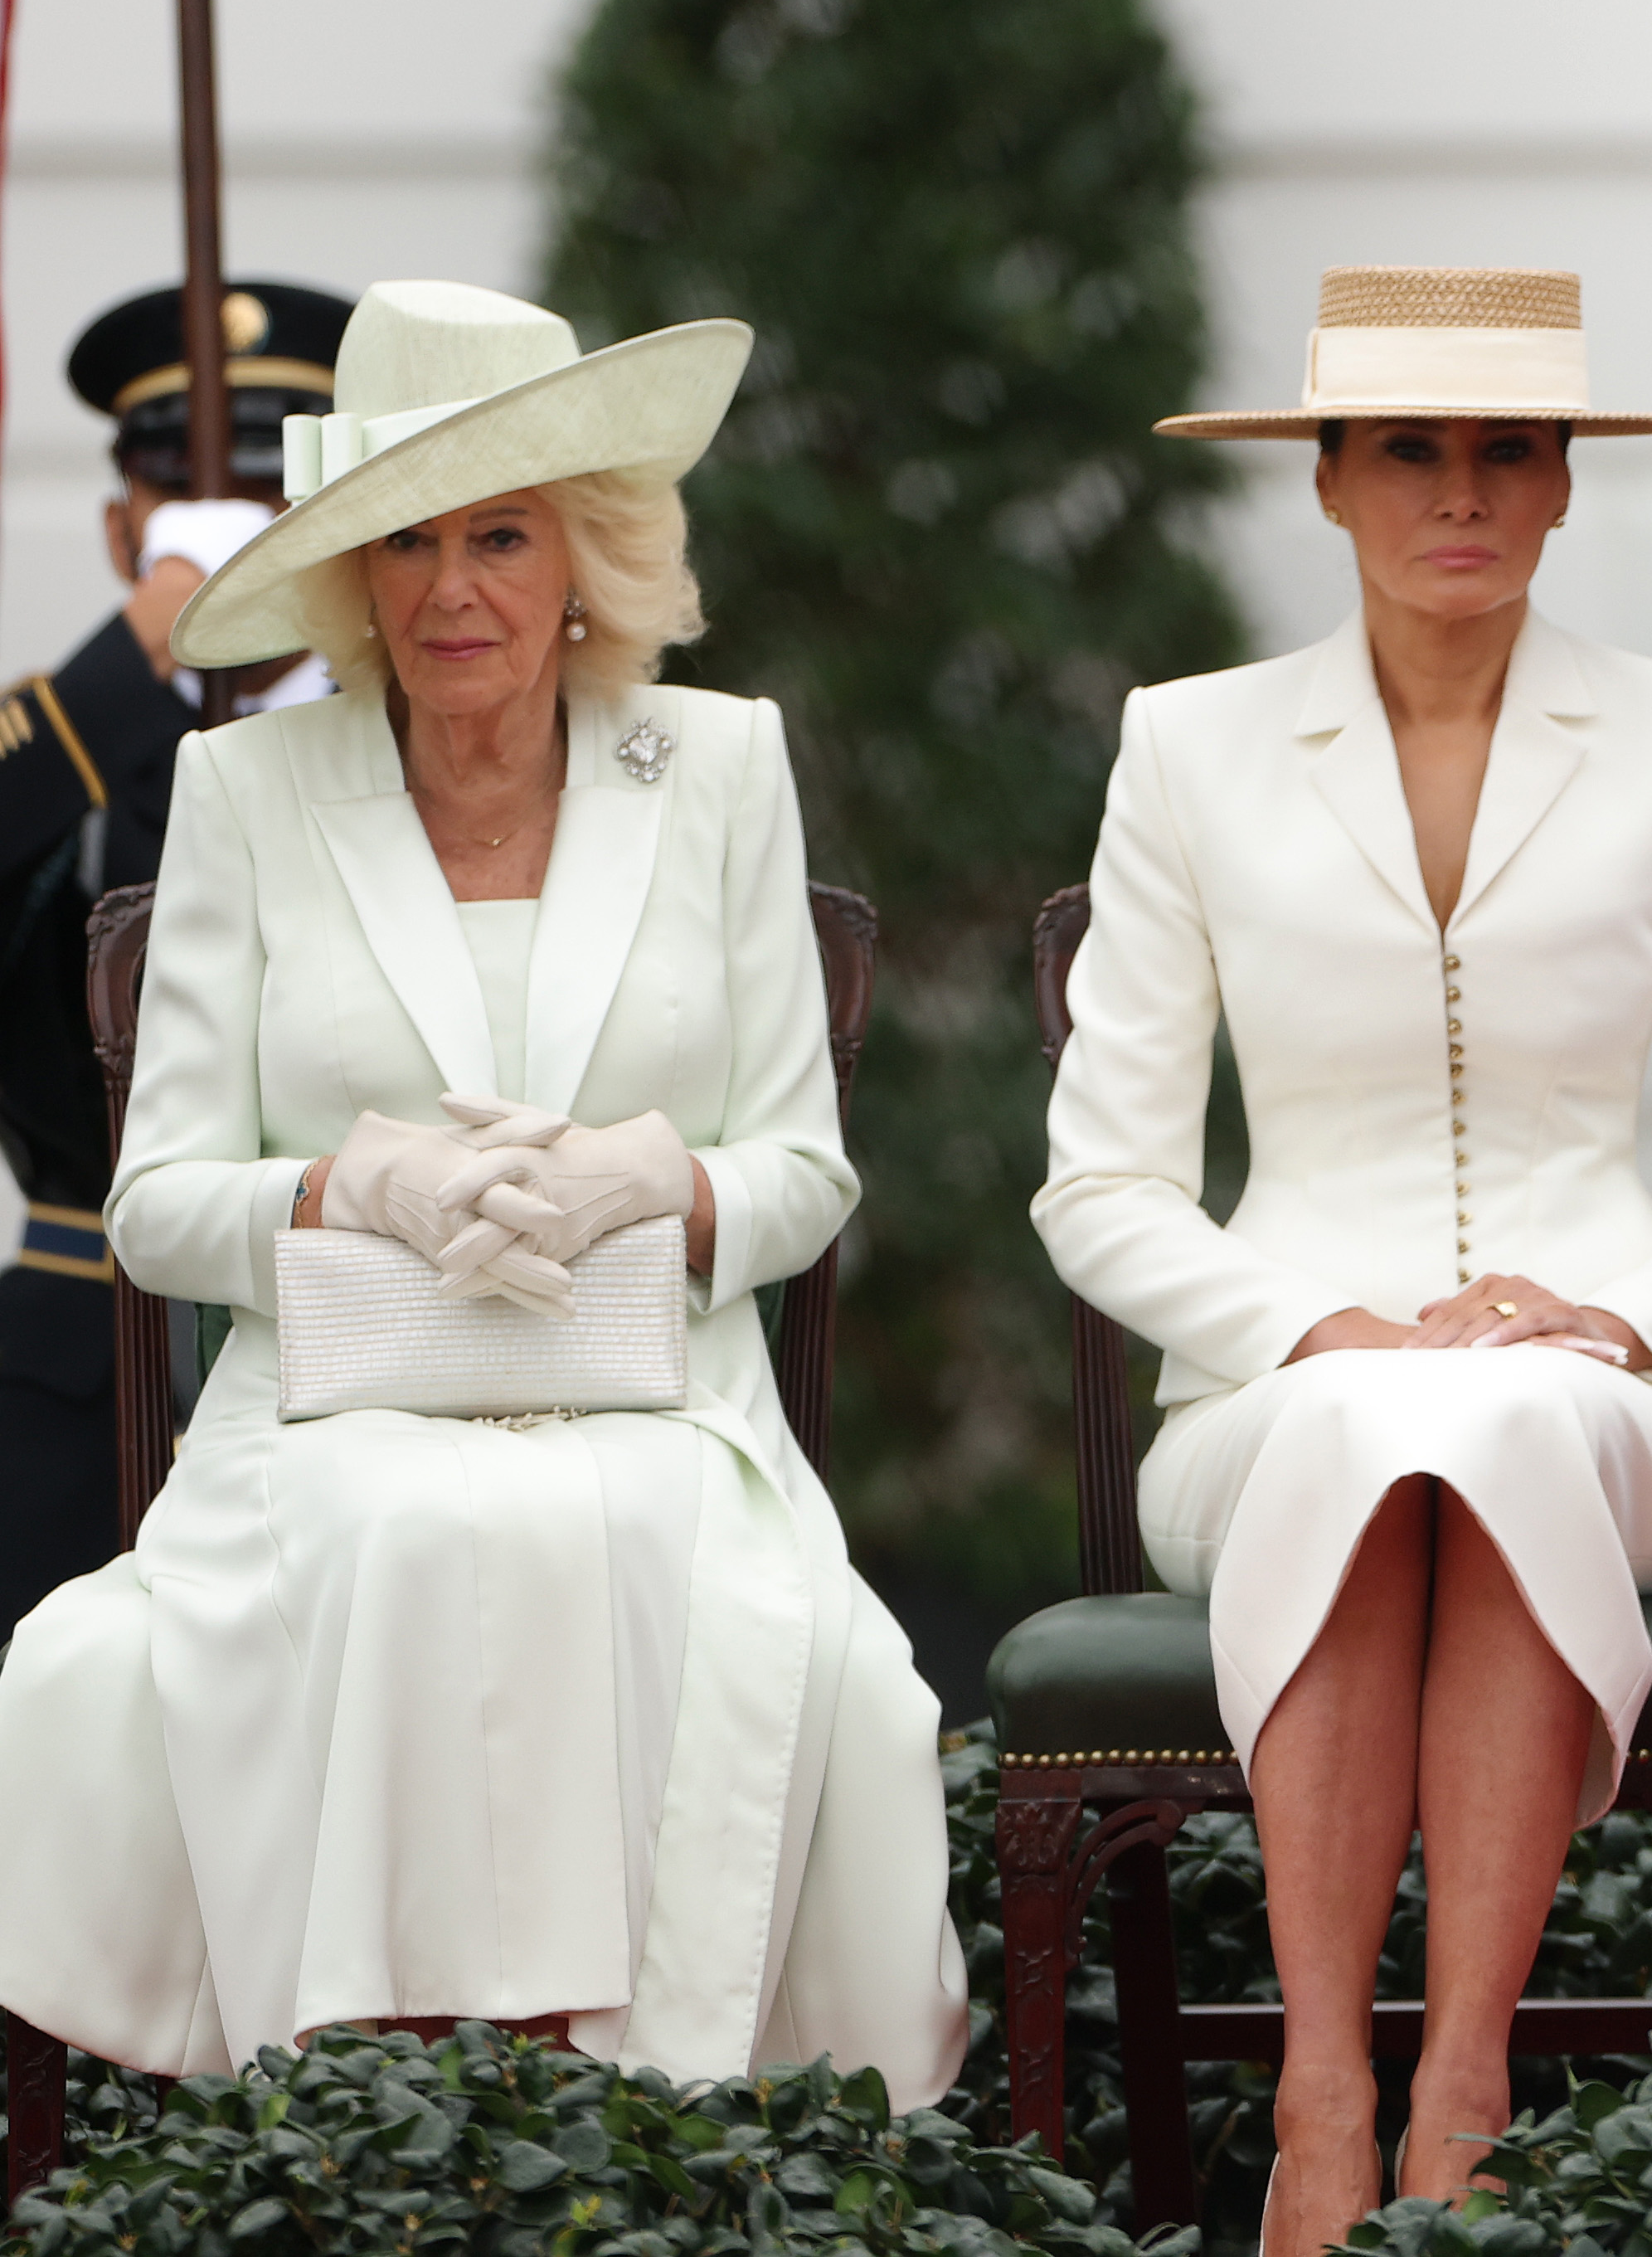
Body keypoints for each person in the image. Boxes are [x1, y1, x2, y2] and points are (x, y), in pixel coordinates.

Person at [0, 280, 967, 2089]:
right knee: (407, 1528)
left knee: (602, 1539)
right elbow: (155, 1205)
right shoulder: (245, 787)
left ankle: (620, 2116)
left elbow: (804, 1172)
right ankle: (371, 2100)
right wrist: (341, 1188)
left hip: (664, 1405)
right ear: (354, 575)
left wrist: (645, 1179)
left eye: (501, 535)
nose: (455, 591)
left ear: (586, 552)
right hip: (326, 1415)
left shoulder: (724, 768)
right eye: (408, 540)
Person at [1036, 268, 1652, 2251]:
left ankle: (1462, 2080)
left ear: (1567, 486)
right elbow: (1102, 1184)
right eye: (1407, 445)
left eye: (1509, 447)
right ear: (1326, 480)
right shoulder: (1191, 745)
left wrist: (1633, 1313)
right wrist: (1292, 1322)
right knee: (1370, 1419)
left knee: (1500, 1409)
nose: (1460, 490)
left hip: (1620, 1397)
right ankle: (1331, 2086)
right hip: (1271, 1407)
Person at [0, 280, 351, 1645]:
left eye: (281, 484)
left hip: (349, 1369)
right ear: (123, 526)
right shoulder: (59, 754)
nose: (239, 526)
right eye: (192, 490)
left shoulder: (415, 749)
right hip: (81, 1376)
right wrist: (151, 643)